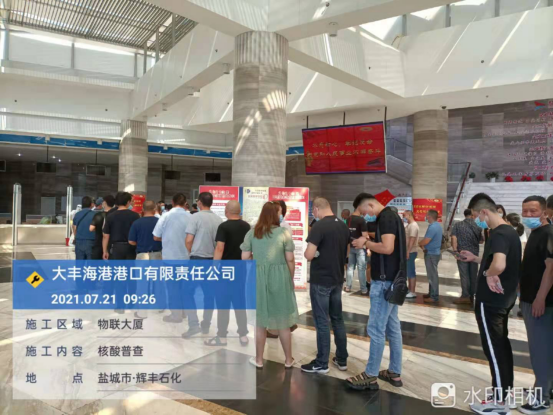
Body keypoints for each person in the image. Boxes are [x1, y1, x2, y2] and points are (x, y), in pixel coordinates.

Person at [460, 193, 521, 414]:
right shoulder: (509, 232)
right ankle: (505, 392)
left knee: (493, 349)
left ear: (484, 212)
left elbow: (499, 265)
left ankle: (499, 402)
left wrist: (488, 273)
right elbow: (498, 261)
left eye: (476, 216)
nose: (477, 220)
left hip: (491, 301)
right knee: (501, 346)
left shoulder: (498, 234)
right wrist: (476, 259)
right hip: (505, 299)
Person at [346, 194, 405, 391]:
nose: (365, 216)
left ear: (370, 205)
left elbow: (387, 248)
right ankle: (394, 371)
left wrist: (365, 243)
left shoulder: (386, 217)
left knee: (376, 329)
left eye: (365, 212)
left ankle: (370, 375)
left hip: (384, 282)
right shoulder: (393, 216)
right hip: (392, 280)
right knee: (392, 327)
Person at [241, 202, 298, 369]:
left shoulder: (253, 232)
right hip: (280, 277)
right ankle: (288, 360)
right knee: (283, 321)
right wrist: (290, 278)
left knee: (260, 322)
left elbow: (245, 257)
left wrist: (258, 263)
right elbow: (290, 259)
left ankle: (259, 360)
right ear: (275, 215)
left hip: (257, 277)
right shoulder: (283, 233)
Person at [301, 197, 349, 374]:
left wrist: (316, 253)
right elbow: (346, 252)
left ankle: (322, 363)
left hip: (321, 279)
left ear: (316, 209)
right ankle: (342, 359)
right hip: (337, 278)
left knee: (322, 321)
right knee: (337, 319)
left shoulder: (319, 226)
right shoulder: (342, 225)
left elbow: (308, 254)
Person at [517, 196, 553, 414]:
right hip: (532, 298)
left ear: (544, 212)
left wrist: (539, 298)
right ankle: (546, 388)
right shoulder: (536, 233)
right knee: (546, 348)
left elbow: (551, 268)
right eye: (525, 211)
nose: (528, 215)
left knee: (540, 351)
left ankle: (541, 399)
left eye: (533, 211)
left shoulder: (548, 233)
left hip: (540, 303)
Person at [205, 200, 250, 347]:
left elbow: (219, 248)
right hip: (241, 269)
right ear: (239, 211)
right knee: (240, 301)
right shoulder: (246, 226)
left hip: (225, 269)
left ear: (226, 211)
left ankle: (222, 336)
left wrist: (214, 268)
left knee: (223, 302)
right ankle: (243, 335)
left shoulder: (223, 227)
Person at [183, 192, 222, 337]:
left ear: (199, 202)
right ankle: (206, 324)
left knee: (187, 292)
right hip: (212, 261)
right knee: (209, 294)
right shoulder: (218, 220)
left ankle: (193, 325)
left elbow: (188, 240)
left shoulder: (195, 217)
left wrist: (191, 252)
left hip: (196, 260)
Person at [153, 193, 191, 323]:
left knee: (172, 287)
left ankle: (176, 315)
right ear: (185, 203)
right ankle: (184, 312)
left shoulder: (165, 216)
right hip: (186, 257)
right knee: (184, 286)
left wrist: (167, 238)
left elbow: (156, 236)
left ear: (173, 202)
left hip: (170, 258)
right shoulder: (190, 217)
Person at [451, 208, 482, 305]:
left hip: (462, 253)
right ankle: (472, 295)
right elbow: (481, 240)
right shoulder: (477, 226)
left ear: (464, 215)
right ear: (472, 216)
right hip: (474, 255)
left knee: (464, 275)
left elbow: (453, 238)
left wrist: (455, 251)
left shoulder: (458, 225)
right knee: (473, 275)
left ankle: (465, 296)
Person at [102, 192, 140, 260]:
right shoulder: (135, 215)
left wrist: (105, 251)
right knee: (130, 266)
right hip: (131, 247)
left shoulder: (110, 216)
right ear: (128, 202)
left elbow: (105, 235)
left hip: (116, 247)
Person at [345, 193, 370, 294]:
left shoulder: (348, 219)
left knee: (350, 267)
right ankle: (363, 289)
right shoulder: (361, 220)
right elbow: (364, 235)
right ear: (359, 207)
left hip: (350, 247)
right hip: (360, 248)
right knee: (361, 269)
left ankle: (348, 287)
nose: (365, 210)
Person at [418, 209, 443, 304]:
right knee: (431, 274)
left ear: (429, 216)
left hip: (432, 254)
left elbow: (426, 241)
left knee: (432, 275)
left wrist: (419, 243)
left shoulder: (433, 227)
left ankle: (434, 296)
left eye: (427, 215)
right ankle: (431, 293)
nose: (426, 217)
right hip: (433, 253)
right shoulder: (437, 225)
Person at [89, 194, 116, 260]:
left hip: (99, 244)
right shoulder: (115, 215)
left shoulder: (98, 215)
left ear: (105, 203)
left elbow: (91, 228)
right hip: (112, 245)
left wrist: (98, 228)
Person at [403, 210, 419, 299]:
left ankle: (412, 292)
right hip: (409, 251)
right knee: (409, 271)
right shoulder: (409, 225)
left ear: (409, 215)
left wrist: (408, 252)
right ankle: (410, 290)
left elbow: (412, 240)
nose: (403, 217)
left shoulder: (413, 226)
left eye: (404, 215)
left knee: (411, 271)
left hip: (411, 251)